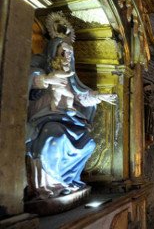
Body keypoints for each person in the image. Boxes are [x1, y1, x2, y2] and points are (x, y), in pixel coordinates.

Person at [26, 12, 117, 200]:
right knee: (54, 137)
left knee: (89, 144)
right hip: (46, 118)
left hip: (69, 119)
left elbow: (82, 95)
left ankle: (69, 181)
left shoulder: (70, 76)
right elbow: (24, 79)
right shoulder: (40, 65)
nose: (67, 56)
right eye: (63, 52)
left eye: (70, 53)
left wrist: (100, 96)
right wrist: (45, 80)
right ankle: (49, 186)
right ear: (54, 51)